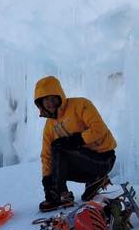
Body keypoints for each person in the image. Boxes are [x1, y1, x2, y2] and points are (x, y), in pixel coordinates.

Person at [33, 76, 117, 212]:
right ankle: (95, 180)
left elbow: (99, 128)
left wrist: (75, 140)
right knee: (55, 163)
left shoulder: (80, 105)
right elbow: (46, 155)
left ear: (60, 96)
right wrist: (47, 182)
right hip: (86, 165)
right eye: (46, 100)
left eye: (53, 98)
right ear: (40, 103)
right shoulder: (49, 125)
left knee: (58, 147)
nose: (50, 103)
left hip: (103, 158)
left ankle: (60, 195)